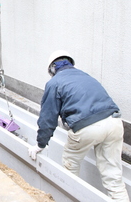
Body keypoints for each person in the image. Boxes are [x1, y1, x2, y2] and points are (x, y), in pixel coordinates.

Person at [28, 50, 129, 201]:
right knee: (112, 174)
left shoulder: (54, 83)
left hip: (87, 127)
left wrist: (40, 145)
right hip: (114, 123)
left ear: (51, 69)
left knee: (70, 167)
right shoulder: (85, 76)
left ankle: (69, 198)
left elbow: (48, 118)